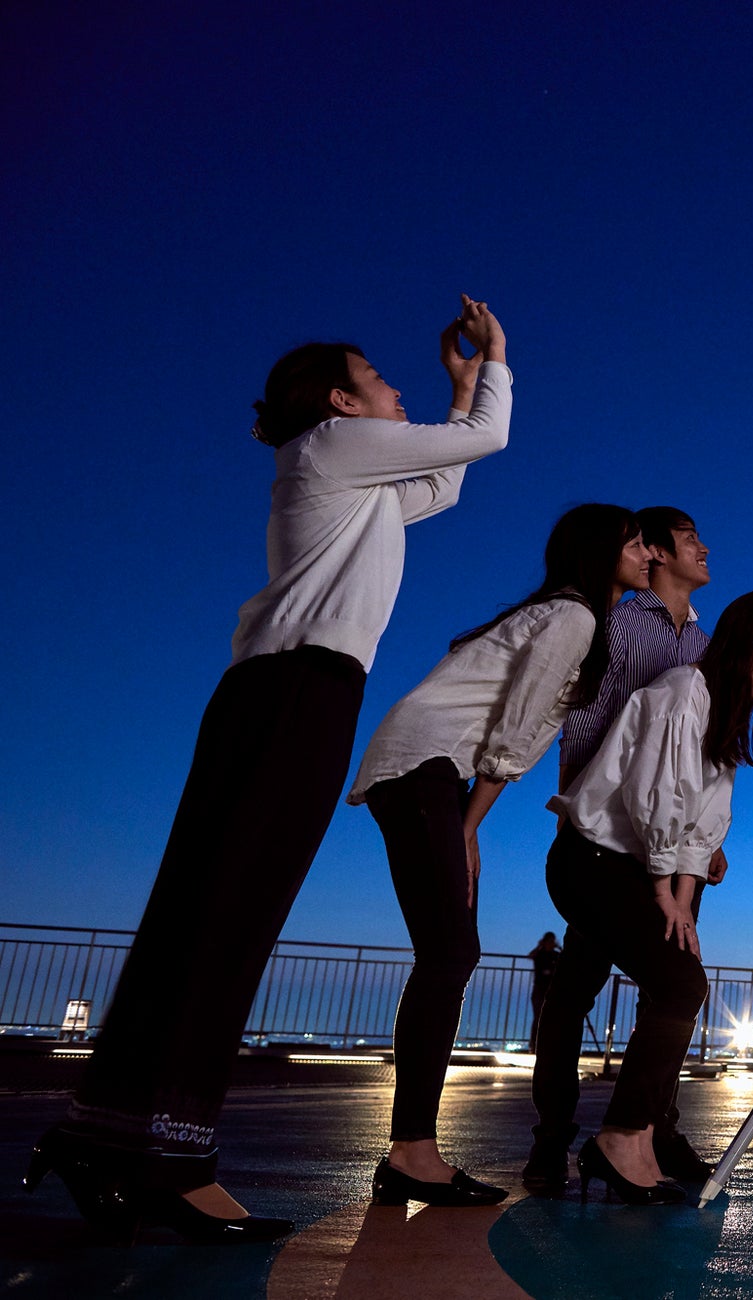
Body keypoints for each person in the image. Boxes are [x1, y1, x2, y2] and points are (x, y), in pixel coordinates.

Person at [28, 299, 511, 1244]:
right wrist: (495, 360)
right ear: (340, 400)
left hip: (279, 692)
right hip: (299, 692)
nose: (395, 389)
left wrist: (457, 392)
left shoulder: (350, 476)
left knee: (201, 909)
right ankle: (173, 1157)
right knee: (235, 913)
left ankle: (112, 1134)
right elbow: (485, 440)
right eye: (382, 380)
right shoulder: (333, 444)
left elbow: (446, 481)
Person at [349, 503, 649, 1207]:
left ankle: (411, 1151)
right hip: (425, 766)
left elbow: (511, 730)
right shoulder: (572, 618)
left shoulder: (570, 617)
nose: (646, 552)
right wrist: (468, 824)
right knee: (449, 955)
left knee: (449, 953)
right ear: (602, 550)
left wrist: (468, 823)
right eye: (635, 541)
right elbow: (516, 733)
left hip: (429, 769)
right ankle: (412, 1153)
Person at [546, 590, 753, 1204]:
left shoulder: (719, 708)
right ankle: (620, 1138)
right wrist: (665, 891)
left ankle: (633, 1138)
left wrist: (682, 901)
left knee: (681, 982)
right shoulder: (680, 695)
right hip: (592, 863)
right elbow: (654, 802)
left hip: (634, 867)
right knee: (680, 986)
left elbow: (704, 822)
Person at [525, 506, 718, 1193]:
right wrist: (575, 815)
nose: (704, 548)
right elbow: (584, 720)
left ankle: (651, 1131)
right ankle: (554, 1139)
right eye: (691, 539)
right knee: (576, 992)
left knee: (664, 990)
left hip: (660, 847)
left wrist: (702, 839)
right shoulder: (620, 625)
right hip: (606, 836)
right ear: (659, 555)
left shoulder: (702, 643)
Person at [527, 932, 561, 1047]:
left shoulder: (556, 955)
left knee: (550, 1017)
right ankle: (534, 1043)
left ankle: (545, 1044)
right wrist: (539, 946)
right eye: (549, 941)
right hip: (539, 990)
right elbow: (530, 955)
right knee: (538, 1017)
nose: (551, 944)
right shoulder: (539, 954)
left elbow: (566, 958)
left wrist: (559, 947)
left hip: (552, 990)